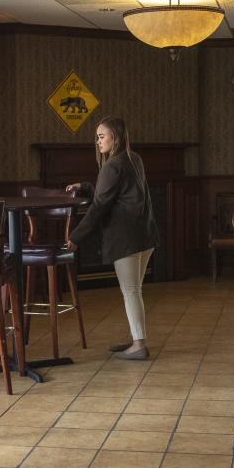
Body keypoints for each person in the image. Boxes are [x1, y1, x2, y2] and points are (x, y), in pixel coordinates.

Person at [65, 117, 159, 361]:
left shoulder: (112, 165)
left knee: (130, 291)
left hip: (125, 238)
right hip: (145, 235)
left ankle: (139, 345)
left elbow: (98, 207)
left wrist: (75, 237)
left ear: (115, 138)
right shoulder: (133, 159)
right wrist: (86, 185)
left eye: (102, 136)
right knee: (134, 290)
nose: (97, 142)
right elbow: (114, 191)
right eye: (96, 137)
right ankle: (136, 338)